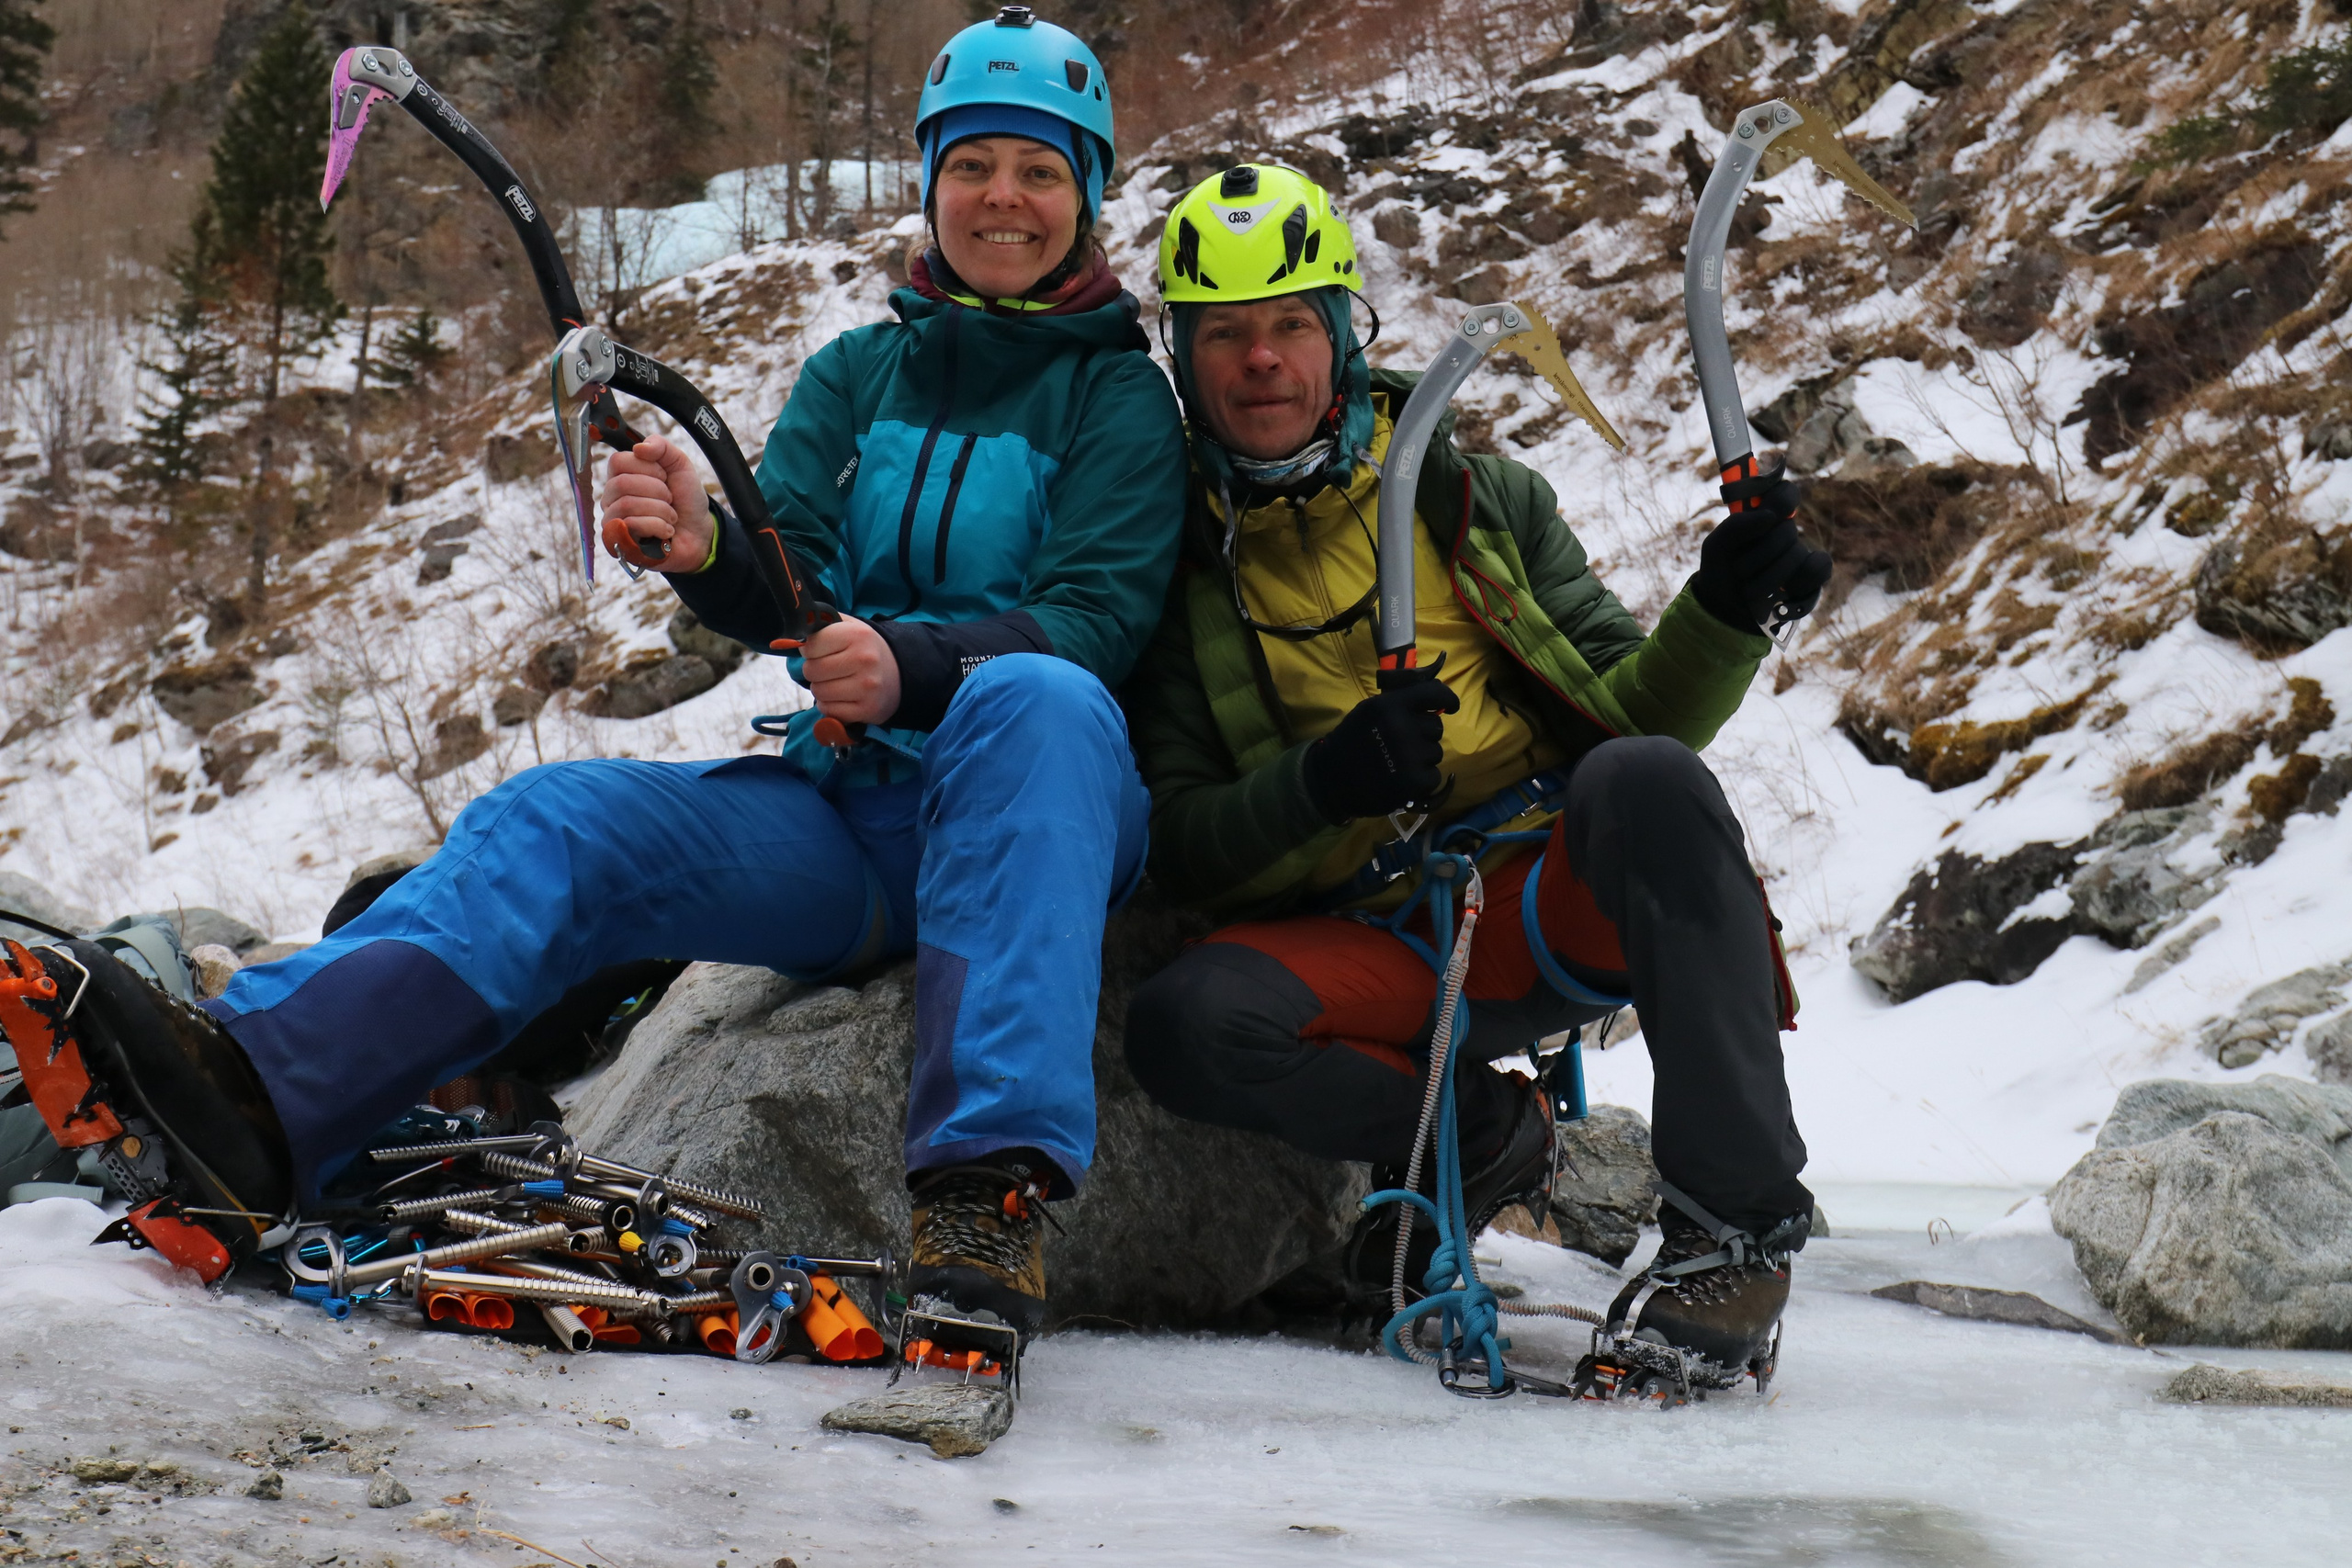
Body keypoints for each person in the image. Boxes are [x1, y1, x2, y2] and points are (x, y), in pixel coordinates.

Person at [0, 8, 1184, 1363]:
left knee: (1039, 701)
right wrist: (703, 543)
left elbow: (1094, 622)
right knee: (559, 819)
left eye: (1040, 170)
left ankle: (985, 1201)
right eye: (974, 164)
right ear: (933, 180)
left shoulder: (1121, 405)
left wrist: (914, 665)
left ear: (1087, 195)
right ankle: (258, 1094)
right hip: (853, 826)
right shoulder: (860, 373)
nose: (1003, 198)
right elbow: (780, 578)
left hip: (1038, 816)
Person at [1120, 164, 1830, 1390]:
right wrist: (1323, 784)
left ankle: (1735, 1238)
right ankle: (1486, 1140)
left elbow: (1631, 715)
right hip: (1371, 938)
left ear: (1342, 334)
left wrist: (1723, 611)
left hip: (1544, 900)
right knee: (1189, 1026)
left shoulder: (1473, 498)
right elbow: (1182, 838)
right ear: (1187, 362)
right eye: (1225, 335)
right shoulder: (1170, 554)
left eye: (1291, 323)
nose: (1262, 362)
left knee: (1650, 781)